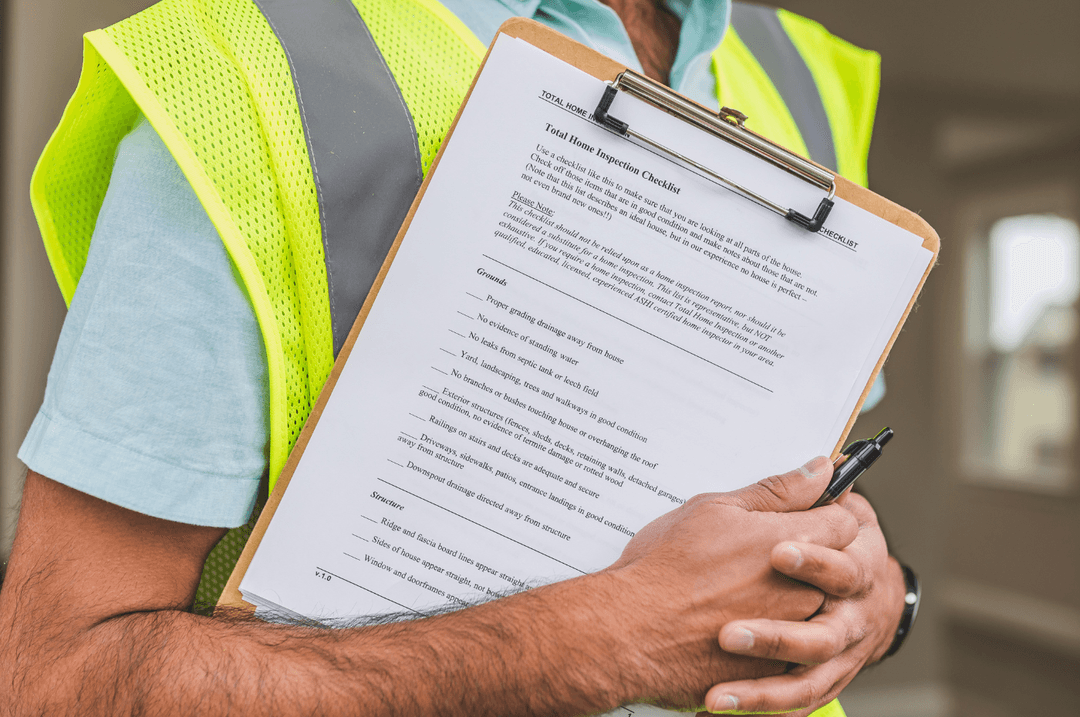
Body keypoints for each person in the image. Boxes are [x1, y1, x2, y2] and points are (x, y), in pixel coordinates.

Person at [0, 1, 908, 714]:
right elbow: (58, 680)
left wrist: (878, 598)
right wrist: (605, 639)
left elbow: (803, 490)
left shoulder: (799, 70)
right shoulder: (243, 71)